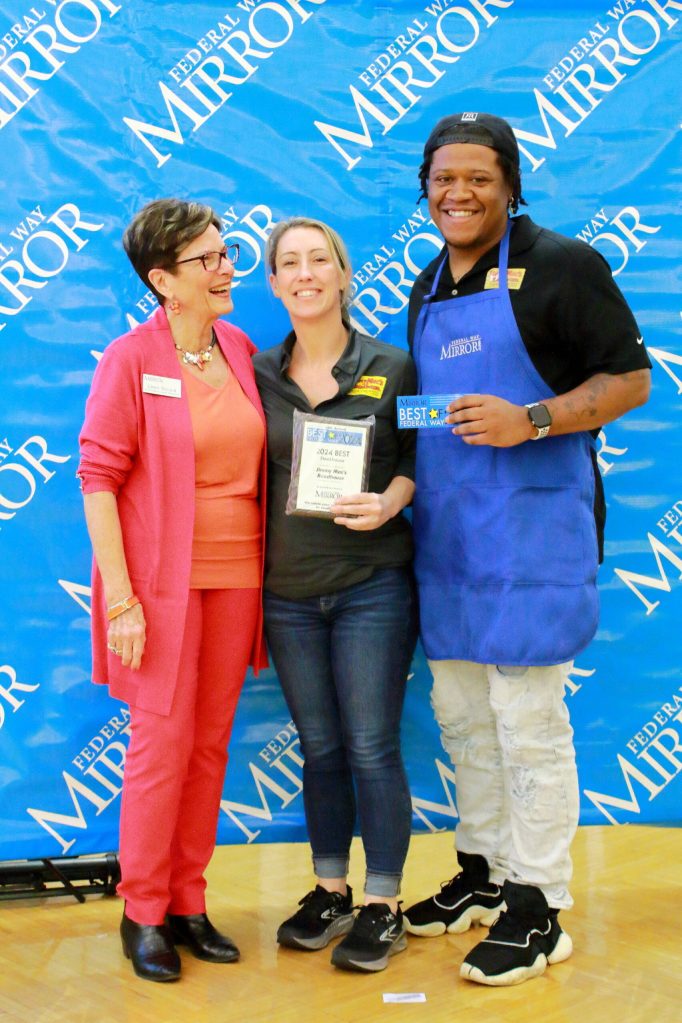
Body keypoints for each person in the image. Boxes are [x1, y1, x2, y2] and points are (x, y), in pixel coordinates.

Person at [403, 113, 651, 987]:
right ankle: (485, 868)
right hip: (449, 539)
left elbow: (631, 378)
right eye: (444, 178)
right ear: (425, 188)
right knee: (463, 714)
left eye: (478, 177)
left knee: (526, 722)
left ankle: (540, 904)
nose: (459, 193)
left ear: (510, 184)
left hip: (533, 537)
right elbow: (430, 412)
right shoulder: (428, 283)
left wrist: (533, 418)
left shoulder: (563, 265)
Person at [77, 198, 267, 983]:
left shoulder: (240, 347)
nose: (227, 269)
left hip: (239, 575)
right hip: (159, 588)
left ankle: (188, 899)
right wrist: (121, 601)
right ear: (163, 280)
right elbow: (98, 479)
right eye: (208, 260)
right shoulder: (130, 359)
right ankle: (144, 909)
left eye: (227, 253)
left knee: (209, 743)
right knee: (160, 746)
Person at [253, 216, 418, 973]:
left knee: (371, 746)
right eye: (290, 263)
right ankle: (331, 891)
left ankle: (383, 905)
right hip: (287, 594)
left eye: (319, 259)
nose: (306, 273)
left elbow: (420, 457)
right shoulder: (256, 372)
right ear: (273, 282)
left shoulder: (394, 365)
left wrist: (389, 501)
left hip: (370, 587)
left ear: (344, 274)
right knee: (319, 748)